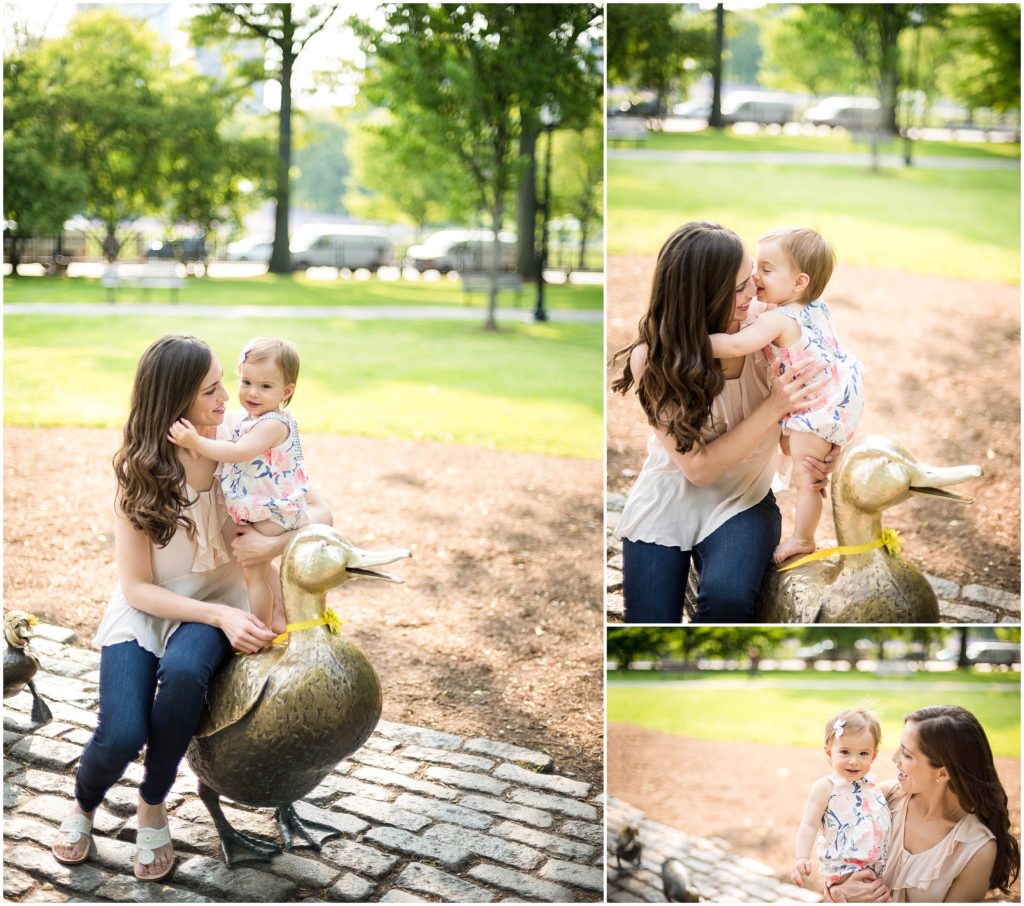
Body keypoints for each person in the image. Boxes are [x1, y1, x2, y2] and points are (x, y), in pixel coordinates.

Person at [51, 335, 332, 881]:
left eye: (226, 382)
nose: (229, 397)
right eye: (211, 389)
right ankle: (84, 802)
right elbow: (136, 589)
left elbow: (320, 511)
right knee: (122, 731)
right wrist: (224, 619)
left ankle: (153, 803)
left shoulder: (240, 440)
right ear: (177, 400)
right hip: (153, 608)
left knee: (184, 675)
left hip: (221, 596)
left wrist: (272, 546)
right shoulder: (139, 471)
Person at [610, 221, 838, 622]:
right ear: (700, 295)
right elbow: (698, 468)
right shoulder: (652, 359)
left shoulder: (768, 332)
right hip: (667, 500)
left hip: (743, 499)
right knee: (649, 622)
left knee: (727, 601)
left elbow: (803, 422)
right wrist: (772, 407)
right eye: (738, 288)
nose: (753, 292)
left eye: (752, 277)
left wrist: (818, 453)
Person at [707, 227, 863, 565]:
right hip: (830, 398)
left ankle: (803, 539)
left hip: (814, 407)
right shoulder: (815, 307)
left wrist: (687, 342)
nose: (754, 276)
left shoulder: (779, 318)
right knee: (804, 464)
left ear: (799, 282)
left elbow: (735, 345)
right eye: (756, 266)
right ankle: (797, 518)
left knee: (808, 478)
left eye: (766, 268)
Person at [169, 337, 309, 631]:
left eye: (265, 386)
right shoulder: (251, 419)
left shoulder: (272, 424)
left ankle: (261, 628)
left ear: (286, 391)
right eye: (246, 382)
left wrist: (195, 441)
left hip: (271, 512)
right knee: (258, 573)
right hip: (262, 509)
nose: (251, 393)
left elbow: (237, 453)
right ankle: (279, 619)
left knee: (254, 574)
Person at [826, 706, 1020, 903]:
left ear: (943, 773)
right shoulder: (884, 798)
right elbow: (832, 853)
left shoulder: (976, 849)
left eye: (907, 754)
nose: (894, 758)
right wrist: (836, 889)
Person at [792, 709, 892, 902]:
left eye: (863, 753)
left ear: (873, 756)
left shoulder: (872, 787)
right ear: (829, 753)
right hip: (843, 870)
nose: (854, 761)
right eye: (845, 752)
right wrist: (801, 857)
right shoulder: (826, 787)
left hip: (875, 869)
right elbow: (809, 824)